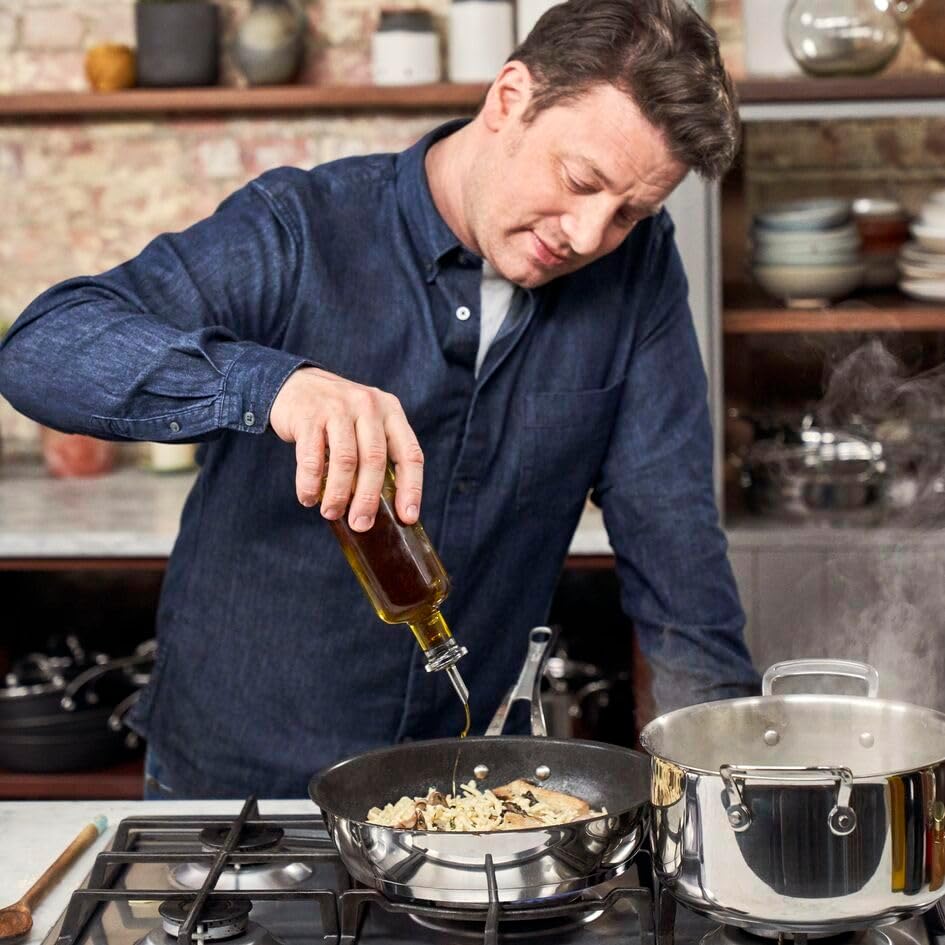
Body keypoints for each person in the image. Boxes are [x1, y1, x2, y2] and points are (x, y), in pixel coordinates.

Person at [0, 0, 760, 798]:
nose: (588, 234)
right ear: (510, 98)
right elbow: (43, 346)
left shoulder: (635, 272)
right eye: (580, 181)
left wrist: (729, 792)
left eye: (629, 213)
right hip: (233, 784)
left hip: (451, 787)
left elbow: (676, 554)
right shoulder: (301, 227)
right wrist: (271, 383)